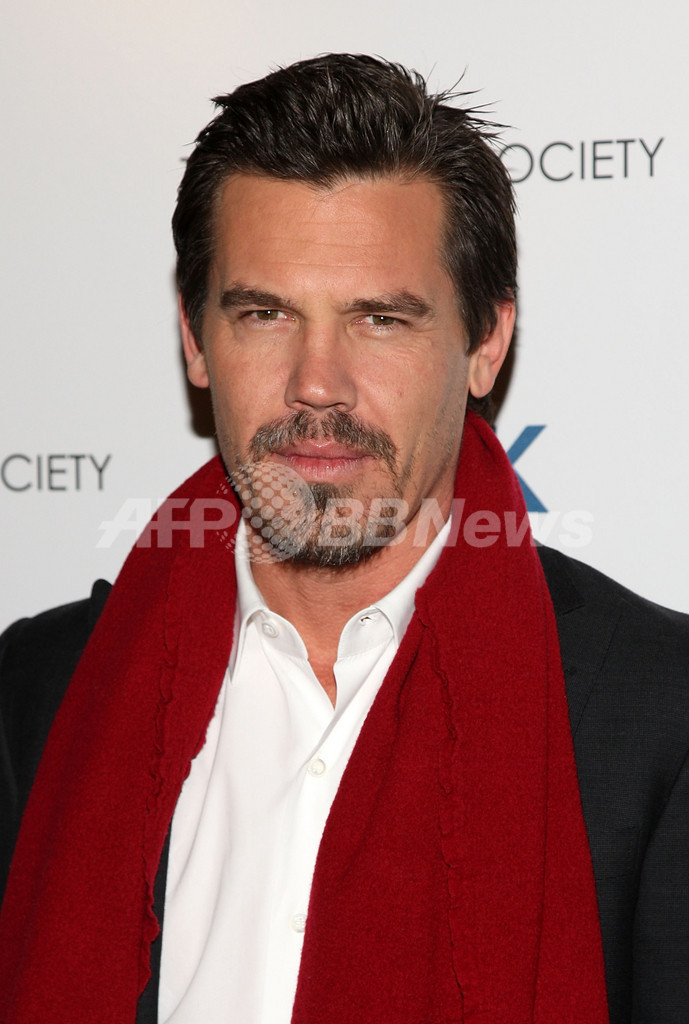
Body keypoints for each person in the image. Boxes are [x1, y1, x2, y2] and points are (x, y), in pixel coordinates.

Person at [0, 53, 687, 1024]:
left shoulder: (659, 717)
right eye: (264, 313)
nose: (315, 382)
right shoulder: (37, 693)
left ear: (485, 343)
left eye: (379, 319)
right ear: (195, 340)